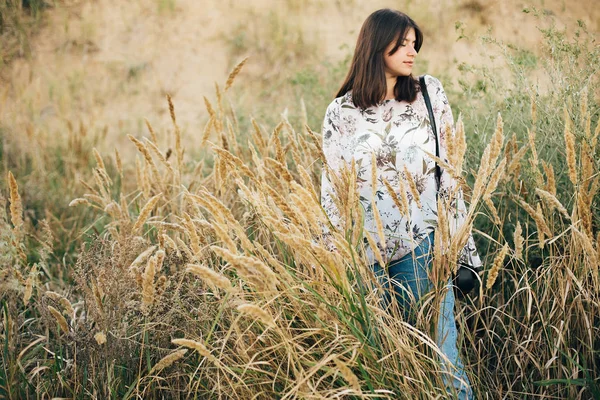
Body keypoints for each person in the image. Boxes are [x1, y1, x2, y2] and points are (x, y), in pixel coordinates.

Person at [319, 8, 482, 400]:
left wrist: (458, 240)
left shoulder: (429, 94)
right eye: (402, 44)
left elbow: (450, 170)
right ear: (377, 46)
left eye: (414, 44)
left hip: (422, 246)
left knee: (445, 363)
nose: (412, 52)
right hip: (364, 254)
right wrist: (332, 259)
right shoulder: (342, 112)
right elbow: (333, 188)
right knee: (381, 368)